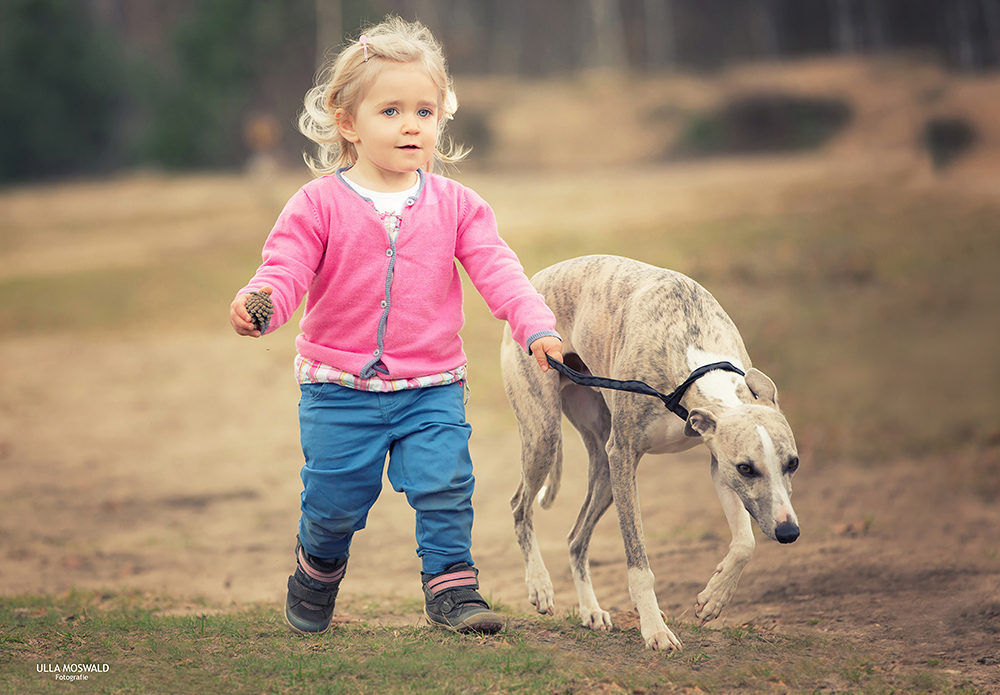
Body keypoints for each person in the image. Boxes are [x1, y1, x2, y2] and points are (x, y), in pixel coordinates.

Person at [229, 16, 563, 635]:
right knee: (333, 504)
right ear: (347, 122)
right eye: (390, 111)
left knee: (446, 485)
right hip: (337, 390)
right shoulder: (317, 204)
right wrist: (262, 303)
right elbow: (285, 268)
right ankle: (317, 568)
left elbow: (499, 269)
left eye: (425, 111)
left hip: (430, 385)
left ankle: (453, 593)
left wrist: (535, 326)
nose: (411, 125)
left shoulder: (458, 206)